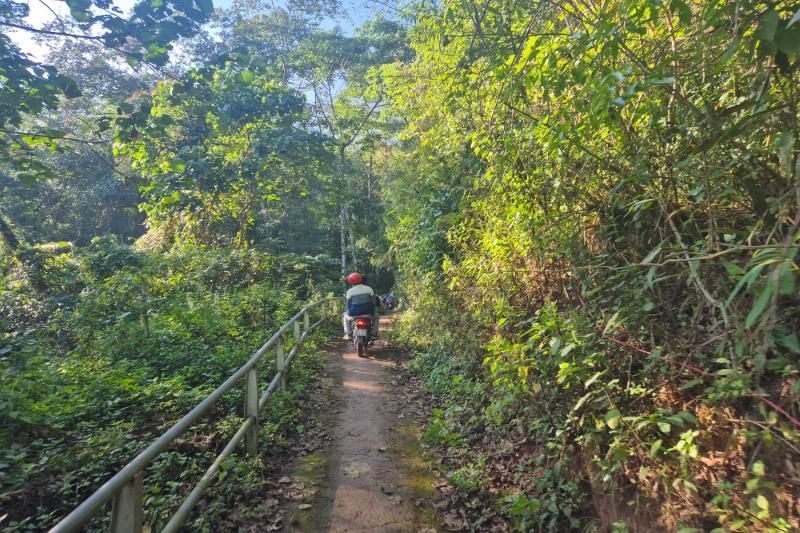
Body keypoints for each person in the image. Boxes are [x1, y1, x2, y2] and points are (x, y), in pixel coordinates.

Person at [342, 272, 379, 340]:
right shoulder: (369, 289)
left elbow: (348, 305)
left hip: (354, 314)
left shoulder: (349, 291)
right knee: (376, 317)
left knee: (345, 316)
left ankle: (349, 333)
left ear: (351, 282)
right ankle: (374, 334)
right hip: (368, 313)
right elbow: (374, 302)